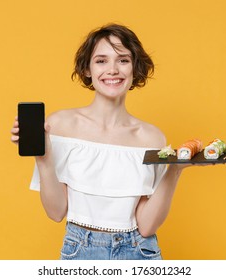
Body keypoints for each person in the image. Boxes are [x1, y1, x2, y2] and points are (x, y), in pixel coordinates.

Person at [11, 23, 191, 260]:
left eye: (123, 60)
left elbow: (147, 226)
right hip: (80, 250)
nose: (113, 70)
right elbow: (55, 212)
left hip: (139, 252)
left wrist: (175, 170)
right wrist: (43, 157)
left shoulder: (151, 137)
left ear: (134, 68)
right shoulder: (61, 125)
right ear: (87, 69)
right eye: (101, 61)